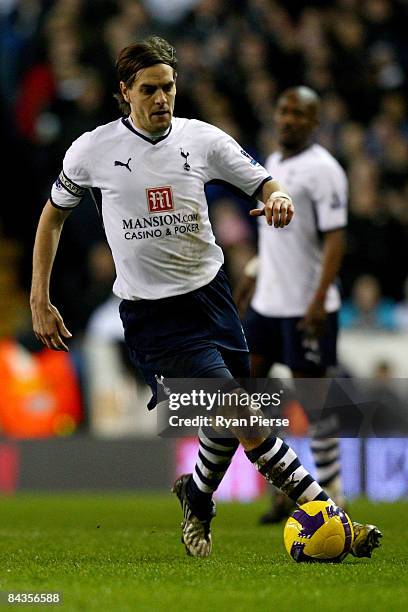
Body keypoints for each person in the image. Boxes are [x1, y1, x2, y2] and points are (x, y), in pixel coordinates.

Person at [30, 37, 381, 560]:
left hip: (213, 298)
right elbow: (52, 216)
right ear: (125, 92)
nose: (161, 99)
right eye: (148, 89)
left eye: (168, 87)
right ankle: (334, 519)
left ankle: (196, 496)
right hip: (154, 316)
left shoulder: (203, 140)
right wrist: (40, 296)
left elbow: (263, 183)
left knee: (227, 417)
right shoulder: (92, 150)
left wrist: (279, 198)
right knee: (243, 416)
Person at [235, 86, 349, 523]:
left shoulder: (326, 171)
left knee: (315, 403)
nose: (288, 119)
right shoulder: (274, 166)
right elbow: (277, 237)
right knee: (250, 394)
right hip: (267, 303)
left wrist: (319, 300)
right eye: (283, 111)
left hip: (307, 304)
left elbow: (335, 237)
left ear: (315, 122)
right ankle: (284, 491)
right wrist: (251, 276)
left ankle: (334, 492)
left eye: (299, 114)